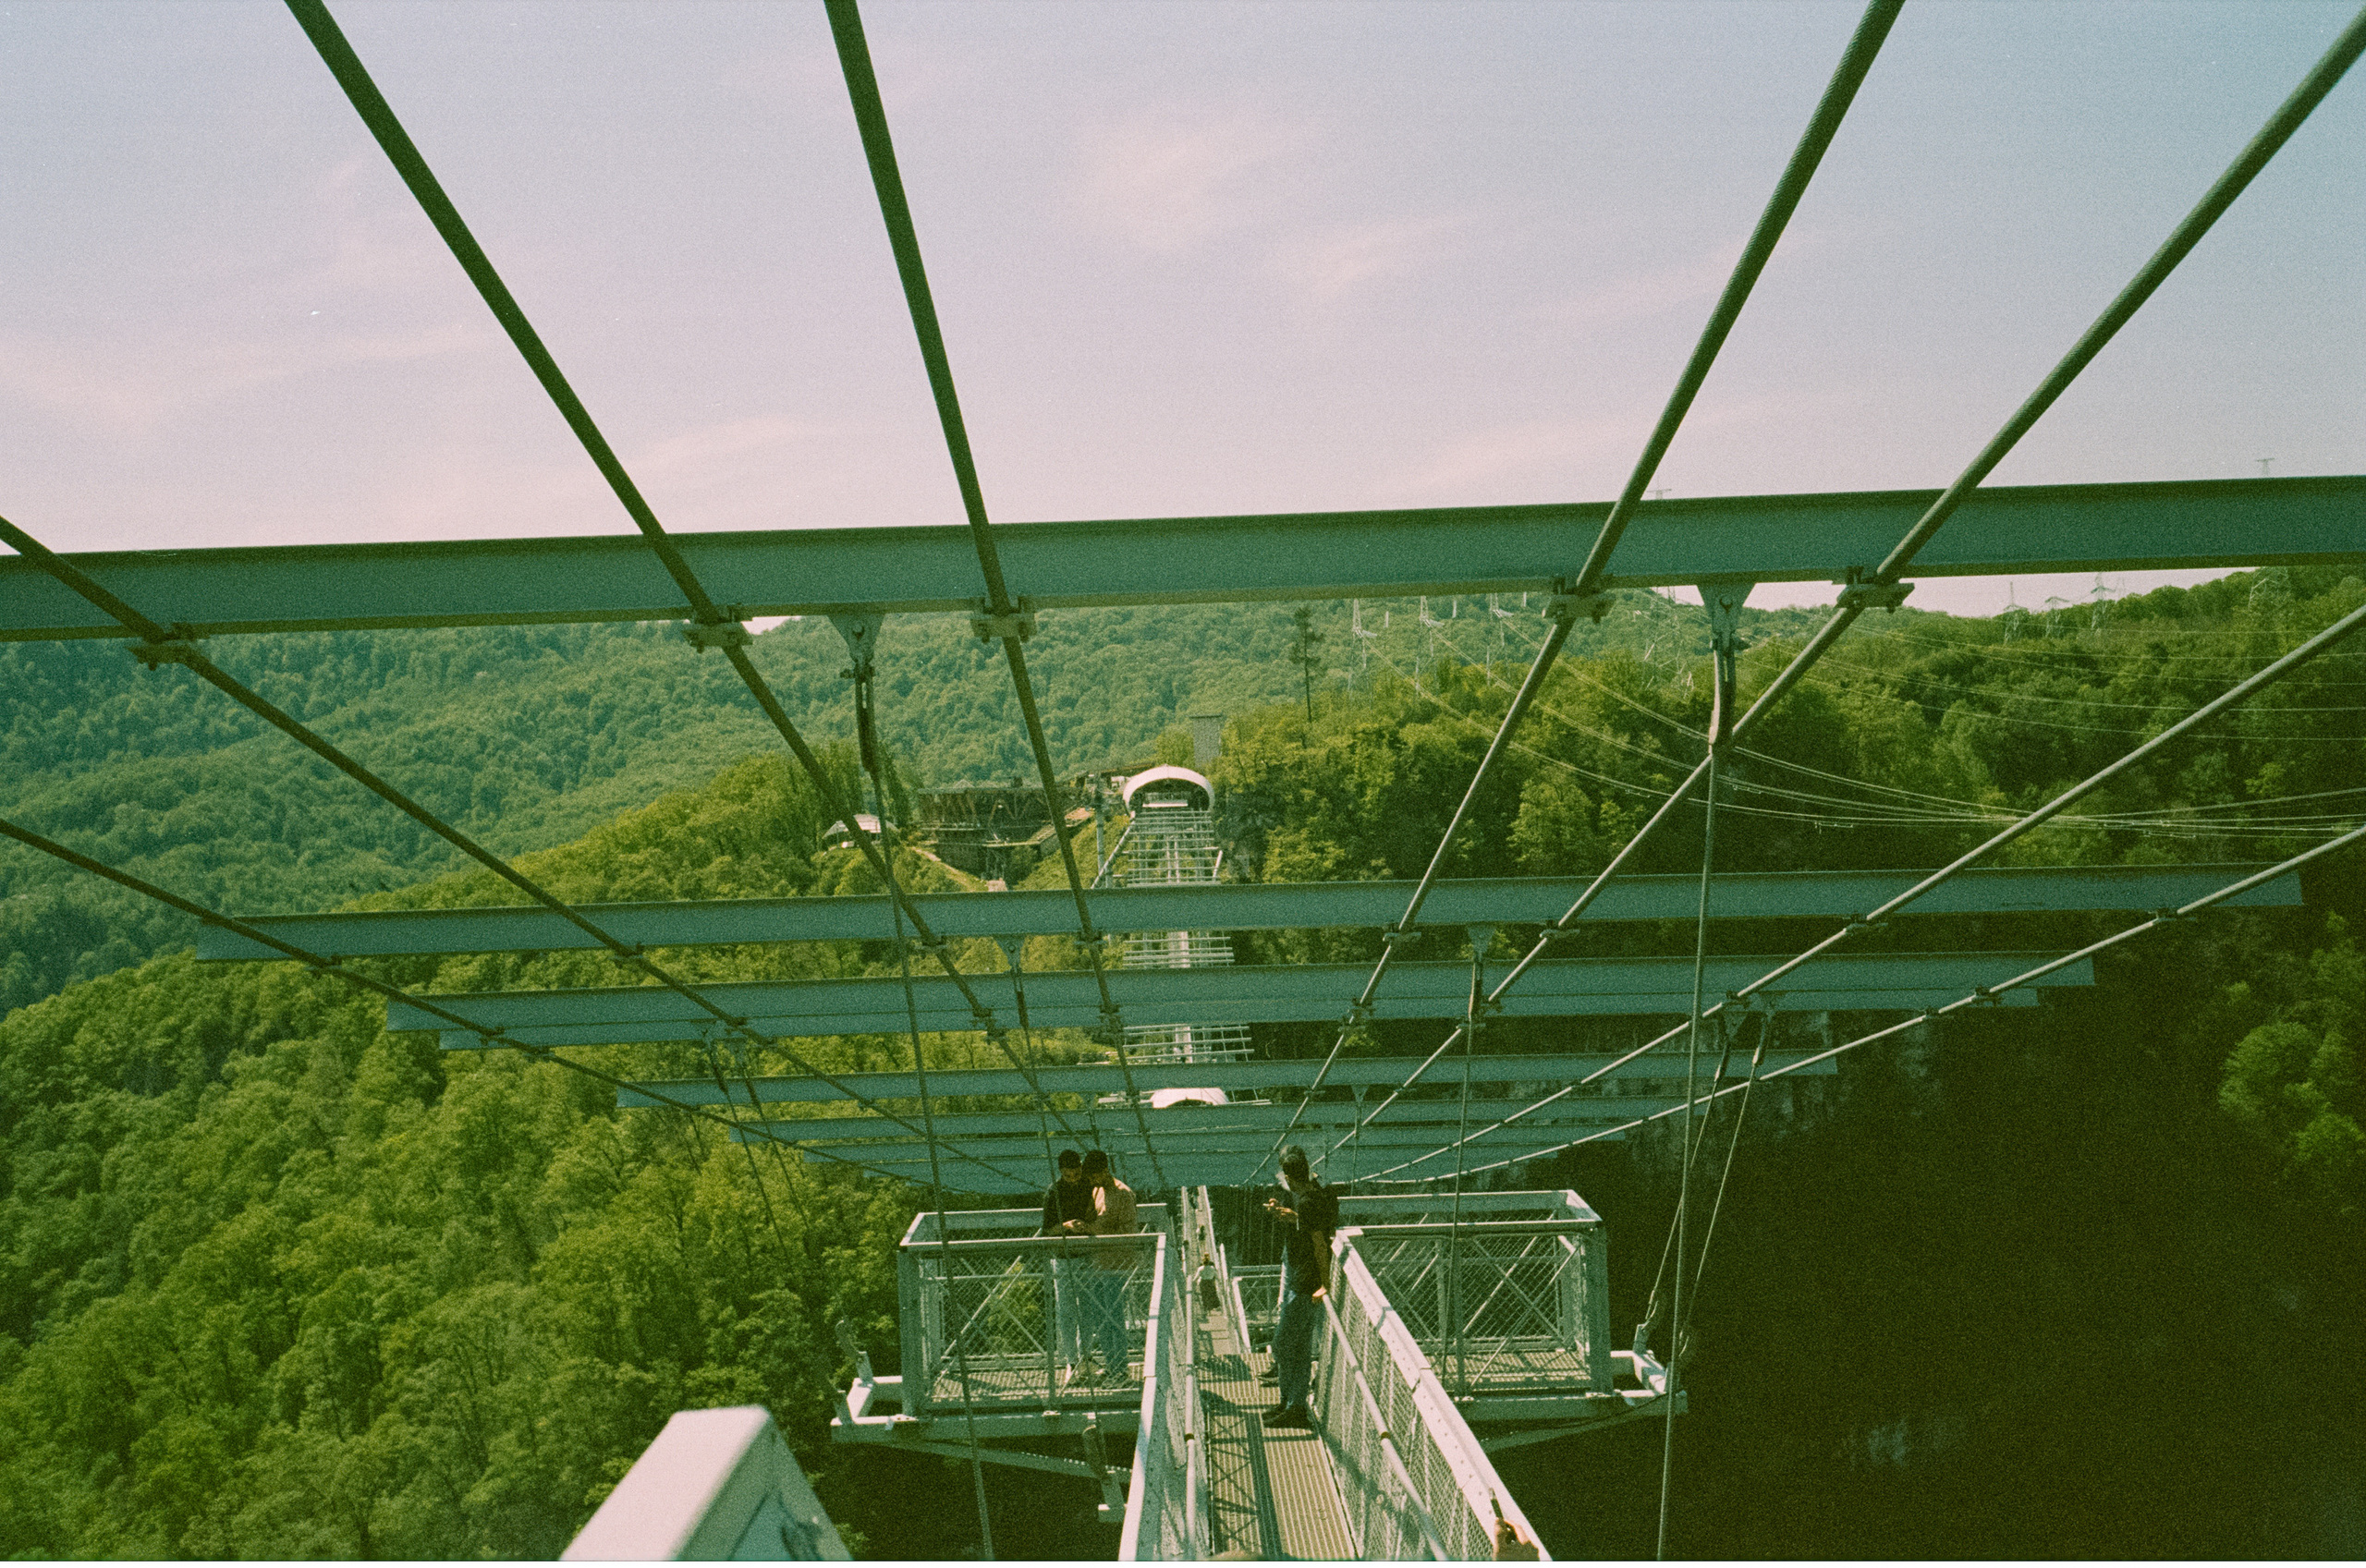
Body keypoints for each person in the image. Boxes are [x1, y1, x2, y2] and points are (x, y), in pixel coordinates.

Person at [1261, 1144, 1338, 1428]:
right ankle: (1290, 1404)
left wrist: (1325, 1283)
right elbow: (1308, 1226)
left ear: (1289, 1176)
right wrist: (1289, 1216)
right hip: (1298, 1273)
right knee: (1299, 1345)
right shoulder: (1307, 1197)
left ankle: (1294, 1404)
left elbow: (1319, 1244)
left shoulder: (1309, 1201)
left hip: (1305, 1282)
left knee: (1284, 1344)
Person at [1061, 1149, 1139, 1384]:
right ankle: (1112, 1364)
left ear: (1104, 1171)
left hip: (1116, 1264)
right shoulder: (1098, 1191)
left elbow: (1128, 1231)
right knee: (1101, 1319)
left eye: (1093, 1176)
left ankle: (1121, 1370)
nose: (1090, 1180)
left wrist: (1094, 1229)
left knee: (1114, 1317)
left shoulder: (1124, 1194)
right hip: (1099, 1263)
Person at [1039, 1149, 1094, 1381]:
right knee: (1066, 1311)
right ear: (1062, 1172)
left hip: (1087, 1255)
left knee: (1088, 1310)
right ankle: (1071, 1361)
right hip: (1063, 1258)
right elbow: (1048, 1230)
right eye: (1069, 1175)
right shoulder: (1054, 1192)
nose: (1074, 1178)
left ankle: (1086, 1358)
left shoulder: (1088, 1187)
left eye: (1077, 1173)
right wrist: (1068, 1225)